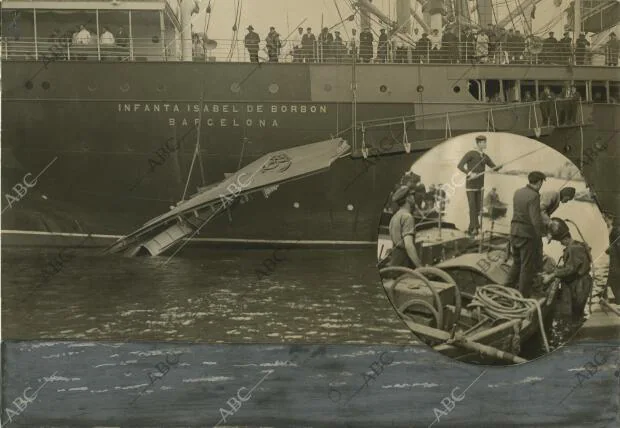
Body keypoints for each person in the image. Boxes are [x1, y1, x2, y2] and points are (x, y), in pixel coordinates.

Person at [542, 218, 593, 325]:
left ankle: (575, 330)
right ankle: (575, 327)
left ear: (564, 238)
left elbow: (570, 269)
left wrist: (552, 275)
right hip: (579, 282)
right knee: (575, 313)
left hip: (580, 285)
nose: (560, 244)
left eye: (560, 241)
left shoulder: (573, 249)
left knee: (575, 314)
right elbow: (571, 265)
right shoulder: (576, 245)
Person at [506, 171, 547, 298]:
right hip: (526, 235)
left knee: (516, 262)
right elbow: (535, 220)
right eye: (542, 182)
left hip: (514, 231)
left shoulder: (517, 192)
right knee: (526, 266)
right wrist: (541, 234)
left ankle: (506, 288)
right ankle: (522, 296)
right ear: (539, 182)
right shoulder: (534, 196)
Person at [457, 135, 501, 236]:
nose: (485, 144)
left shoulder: (485, 157)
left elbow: (494, 167)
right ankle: (475, 228)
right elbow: (459, 166)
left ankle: (472, 228)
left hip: (480, 186)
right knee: (472, 207)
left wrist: (499, 166)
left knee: (477, 209)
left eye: (485, 142)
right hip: (470, 186)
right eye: (484, 142)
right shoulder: (470, 154)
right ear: (479, 143)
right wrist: (469, 173)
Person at [388, 186, 423, 269]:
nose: (414, 197)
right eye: (412, 195)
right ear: (408, 198)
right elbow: (409, 246)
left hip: (395, 263)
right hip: (404, 265)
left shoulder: (395, 216)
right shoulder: (408, 217)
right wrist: (420, 267)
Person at [603, 213, 620, 302]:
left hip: (615, 263)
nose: (604, 220)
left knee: (614, 281)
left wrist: (610, 249)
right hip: (613, 262)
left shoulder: (616, 230)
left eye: (605, 218)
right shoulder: (612, 229)